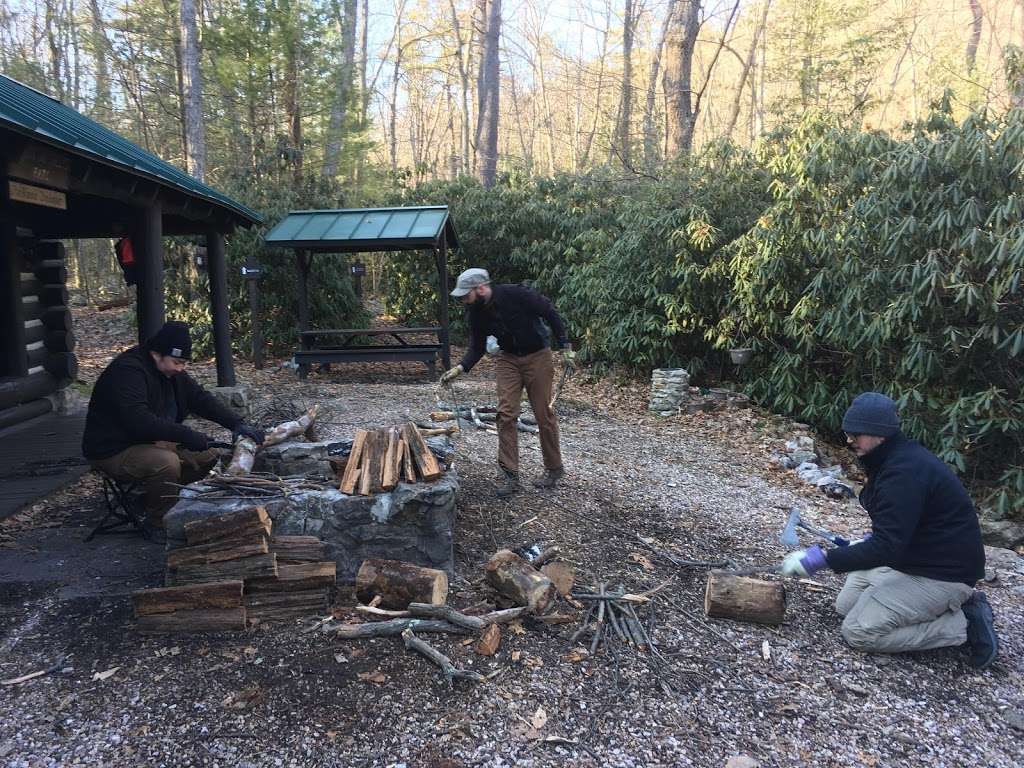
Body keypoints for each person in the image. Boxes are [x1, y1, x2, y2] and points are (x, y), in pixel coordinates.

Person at [780, 392, 998, 668]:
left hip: (943, 573)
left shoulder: (903, 472)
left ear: (880, 433)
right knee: (845, 606)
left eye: (855, 435)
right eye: (848, 435)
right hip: (912, 558)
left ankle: (962, 623)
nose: (849, 442)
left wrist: (822, 559)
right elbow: (898, 530)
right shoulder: (890, 459)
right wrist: (869, 542)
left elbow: (887, 546)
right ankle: (929, 608)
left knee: (858, 630)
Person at [83, 321, 265, 529]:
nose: (181, 369)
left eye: (184, 363)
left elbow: (200, 399)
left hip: (148, 441)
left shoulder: (171, 372)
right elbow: (139, 421)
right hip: (112, 448)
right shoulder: (128, 372)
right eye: (177, 362)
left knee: (209, 455)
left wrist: (236, 424)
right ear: (157, 354)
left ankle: (155, 497)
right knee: (166, 463)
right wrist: (186, 435)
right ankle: (161, 519)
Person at [440, 268, 575, 497]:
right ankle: (510, 475)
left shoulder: (517, 294)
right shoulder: (475, 313)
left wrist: (565, 346)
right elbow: (477, 346)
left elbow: (550, 312)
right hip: (508, 359)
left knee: (543, 413)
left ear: (481, 288)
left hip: (538, 356)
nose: (463, 300)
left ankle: (554, 469)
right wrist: (461, 367)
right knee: (505, 414)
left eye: (466, 294)